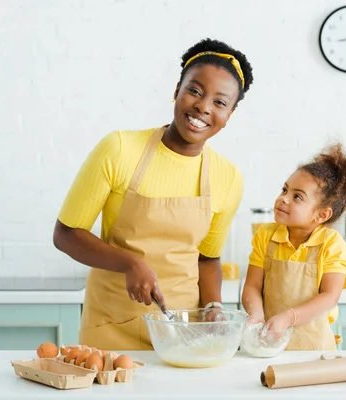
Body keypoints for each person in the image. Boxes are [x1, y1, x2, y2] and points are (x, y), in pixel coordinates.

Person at [53, 38, 254, 350]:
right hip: (110, 326)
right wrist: (129, 263)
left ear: (229, 115)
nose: (203, 106)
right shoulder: (119, 149)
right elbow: (66, 234)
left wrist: (213, 307)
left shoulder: (228, 177)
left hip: (182, 331)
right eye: (195, 91)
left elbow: (208, 258)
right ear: (177, 91)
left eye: (220, 102)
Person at [241, 143, 346, 350]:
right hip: (269, 346)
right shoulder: (265, 236)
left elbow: (330, 297)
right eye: (284, 189)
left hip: (315, 350)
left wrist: (287, 318)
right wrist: (256, 314)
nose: (283, 198)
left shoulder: (332, 245)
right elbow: (252, 287)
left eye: (297, 196)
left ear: (321, 214)